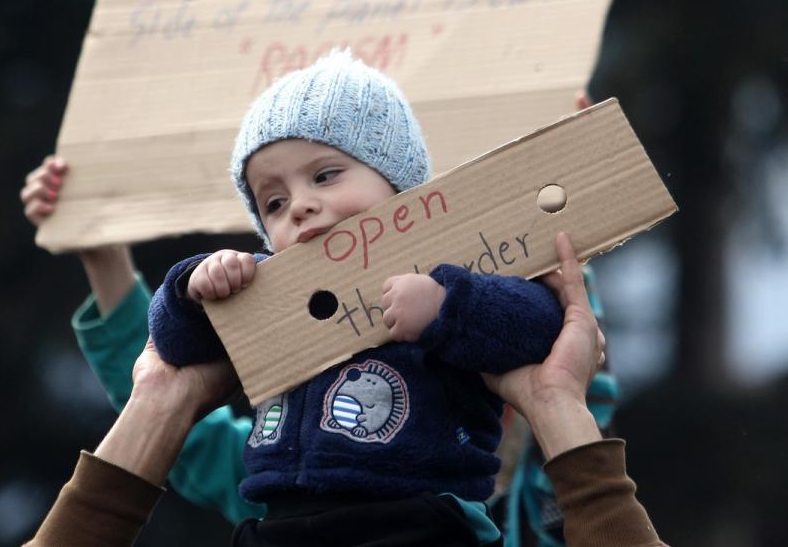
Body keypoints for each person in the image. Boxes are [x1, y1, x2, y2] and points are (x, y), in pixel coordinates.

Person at [145, 50, 566, 545]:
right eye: (274, 203)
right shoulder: (264, 289)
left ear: (400, 184)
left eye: (325, 175)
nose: (299, 205)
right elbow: (172, 345)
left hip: (414, 521)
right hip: (280, 525)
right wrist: (193, 287)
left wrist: (444, 307)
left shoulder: (452, 273)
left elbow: (538, 326)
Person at [26, 233, 665, 547]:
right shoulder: (298, 477)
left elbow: (581, 387)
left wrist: (556, 395)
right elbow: (179, 435)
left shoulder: (534, 524)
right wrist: (156, 387)